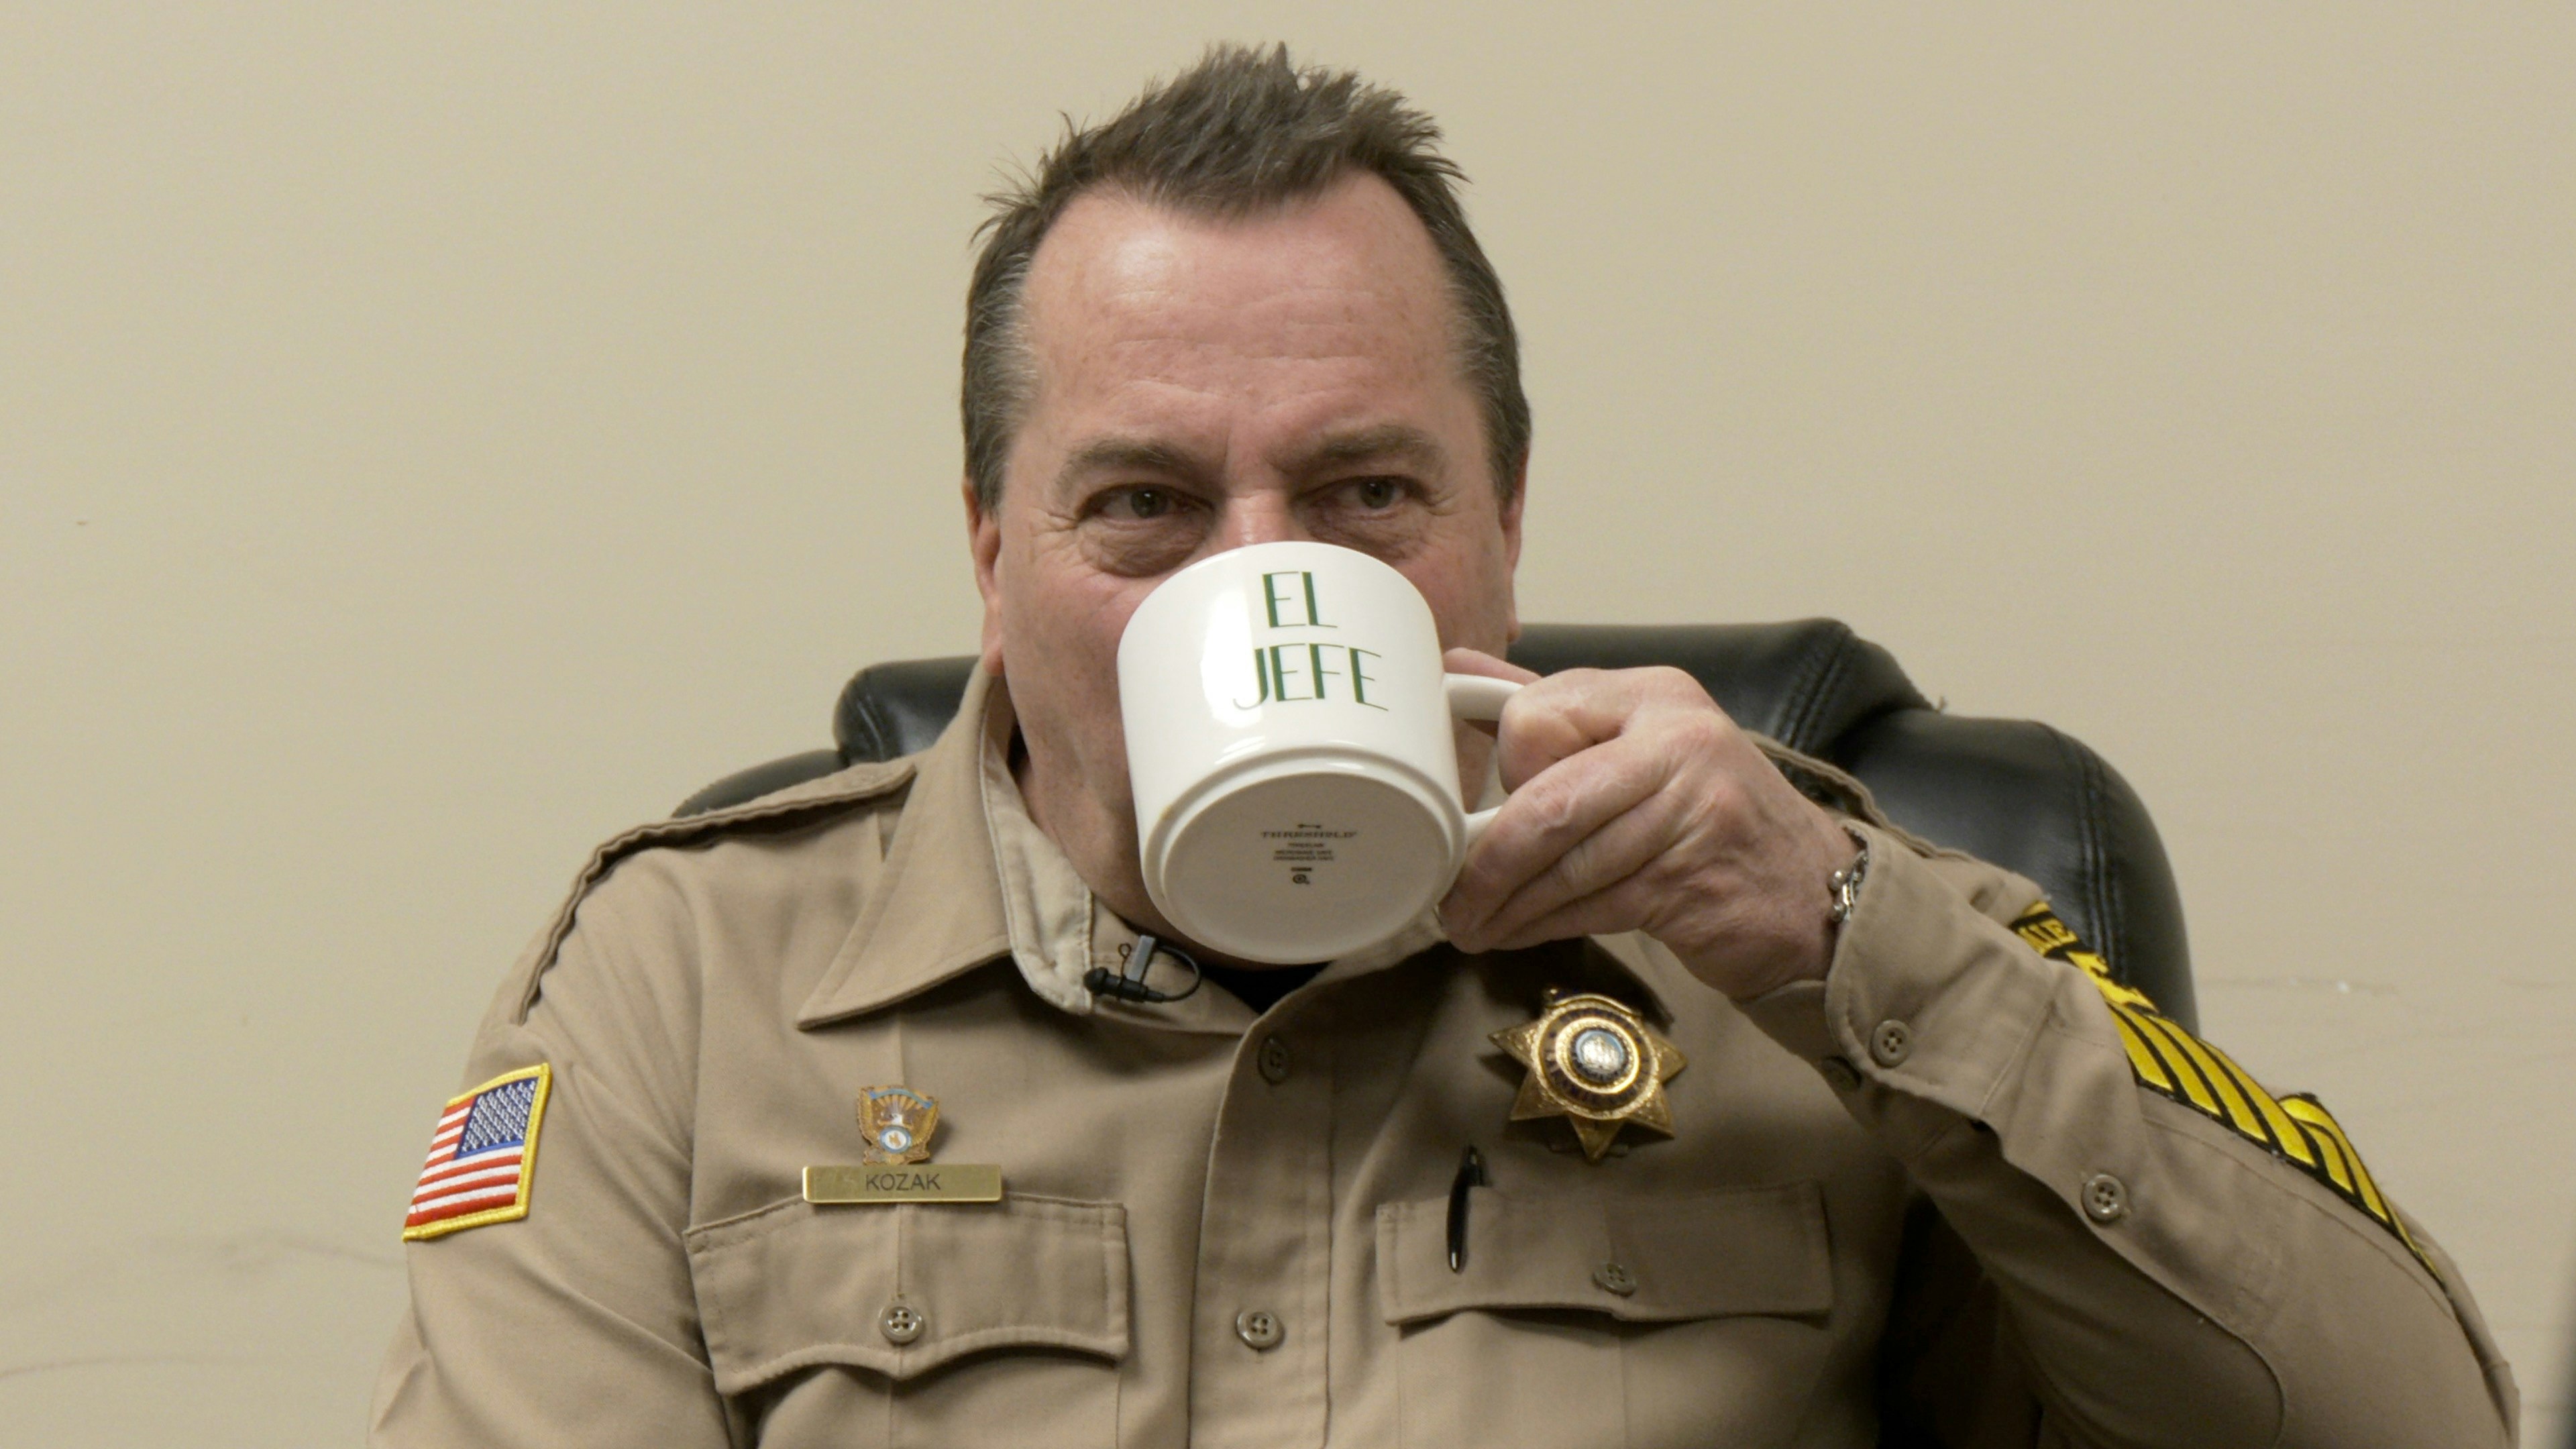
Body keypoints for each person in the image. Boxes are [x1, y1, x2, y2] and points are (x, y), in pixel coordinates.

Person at [371, 44, 2517, 1447]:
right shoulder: (685, 981)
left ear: (1504, 525)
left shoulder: (1836, 936)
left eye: (1366, 496)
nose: (1260, 574)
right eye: (1144, 507)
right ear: (988, 552)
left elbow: (2413, 1421)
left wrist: (1842, 943)